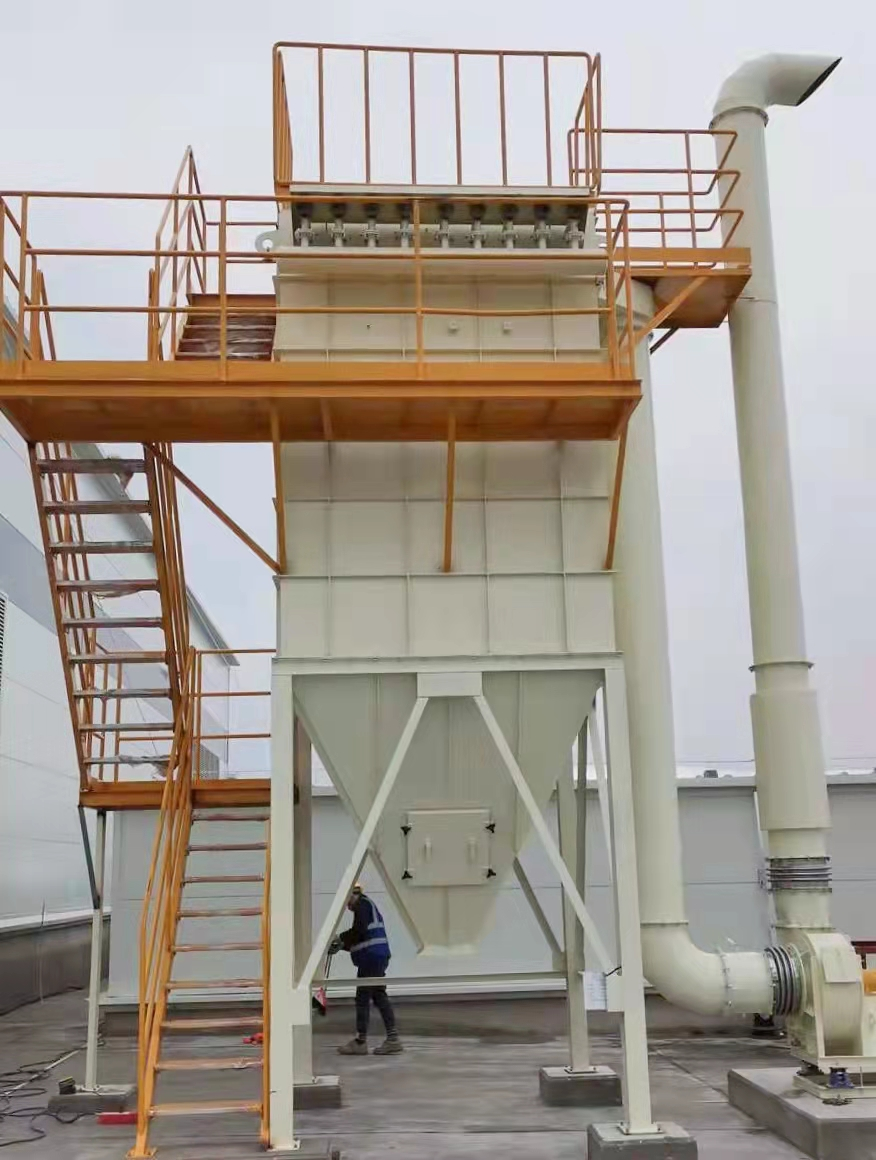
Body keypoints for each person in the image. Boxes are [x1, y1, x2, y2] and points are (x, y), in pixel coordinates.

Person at [330, 884, 402, 1056]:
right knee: (379, 995)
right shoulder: (367, 906)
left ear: (353, 895)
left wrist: (339, 939)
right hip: (377, 956)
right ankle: (393, 1039)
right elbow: (363, 936)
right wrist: (342, 946)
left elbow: (359, 931)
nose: (347, 907)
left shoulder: (362, 905)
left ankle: (360, 1042)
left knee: (362, 998)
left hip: (371, 958)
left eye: (347, 902)